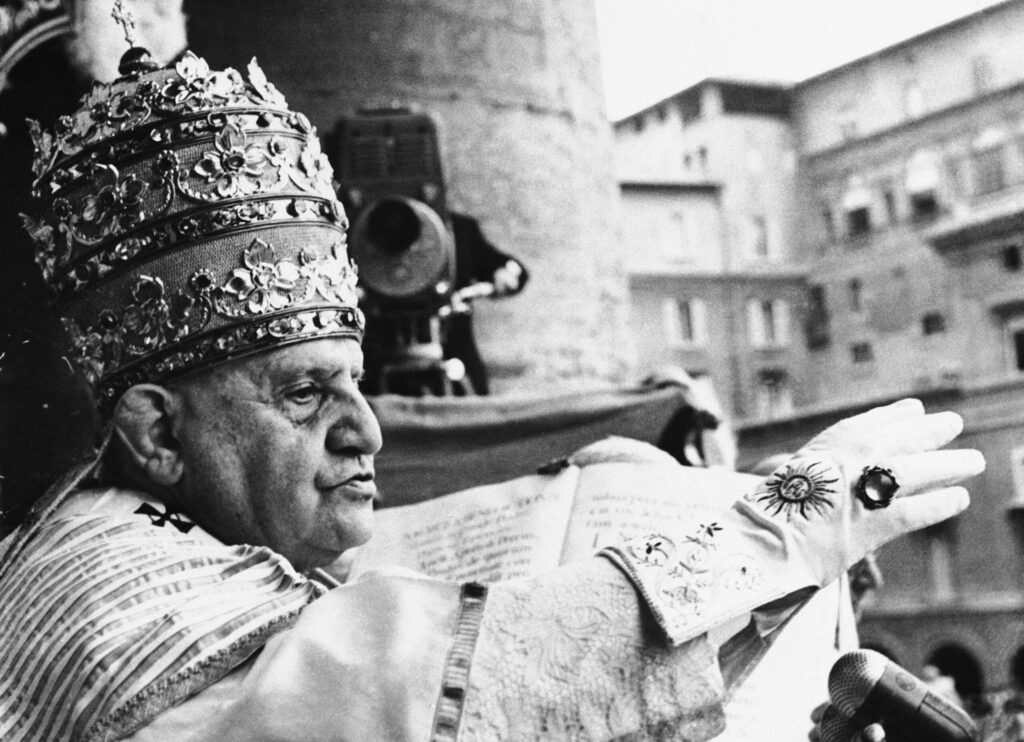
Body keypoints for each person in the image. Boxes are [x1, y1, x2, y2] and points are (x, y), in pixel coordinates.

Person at [0, 45, 984, 742]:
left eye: (355, 380)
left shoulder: (198, 541)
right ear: (155, 431)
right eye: (305, 393)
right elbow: (422, 701)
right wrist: (775, 530)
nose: (365, 426)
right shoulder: (105, 594)